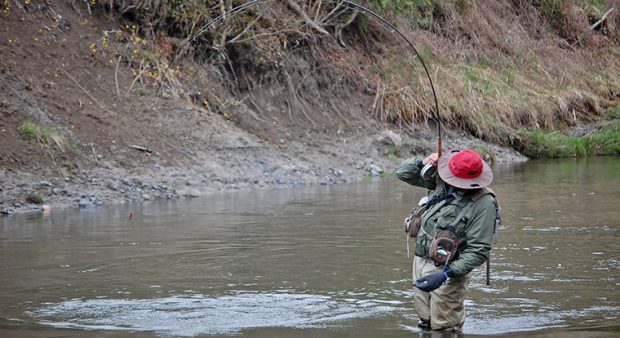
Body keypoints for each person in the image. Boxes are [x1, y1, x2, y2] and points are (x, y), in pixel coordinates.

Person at [395, 149, 498, 332]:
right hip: (420, 261)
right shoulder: (440, 180)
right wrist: (423, 162)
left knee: (444, 327)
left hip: (450, 269)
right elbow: (402, 173)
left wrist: (446, 274)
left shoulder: (484, 203)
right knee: (425, 321)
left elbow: (479, 251)